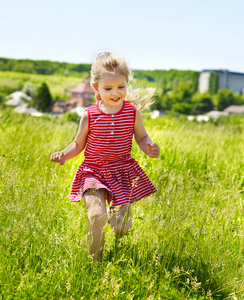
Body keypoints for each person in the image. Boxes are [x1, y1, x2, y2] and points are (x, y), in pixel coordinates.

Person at [50, 51, 160, 262]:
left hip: (122, 171)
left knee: (122, 229)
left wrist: (149, 147)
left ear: (126, 83)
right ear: (96, 88)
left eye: (121, 86)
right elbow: (78, 144)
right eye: (108, 88)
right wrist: (64, 154)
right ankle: (95, 265)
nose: (115, 92)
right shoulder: (90, 115)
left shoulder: (132, 113)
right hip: (93, 171)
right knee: (96, 215)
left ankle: (115, 218)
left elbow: (142, 137)